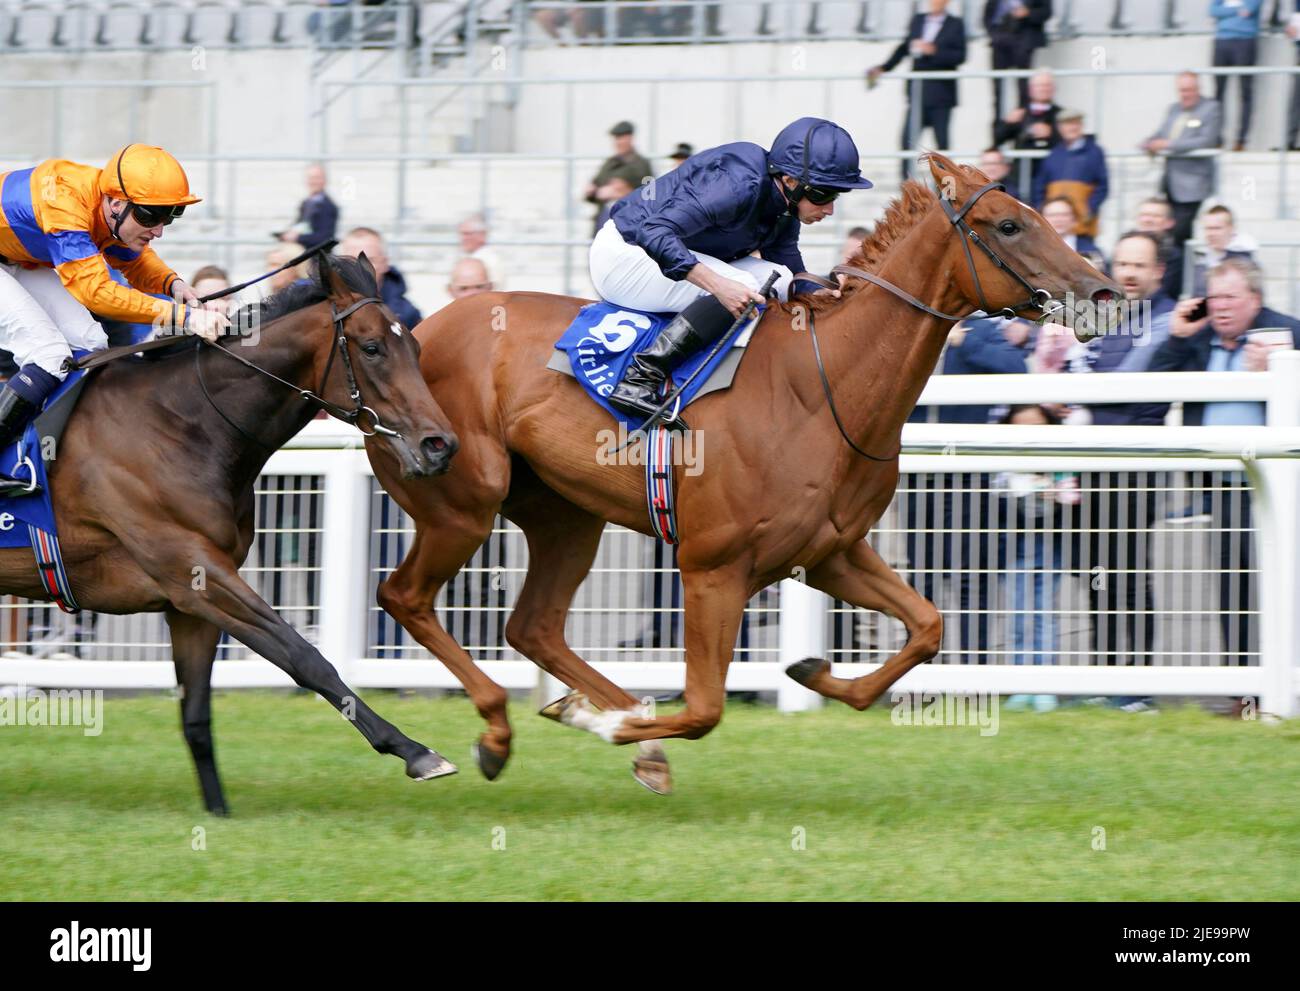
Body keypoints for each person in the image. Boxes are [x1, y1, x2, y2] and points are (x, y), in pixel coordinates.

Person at [590, 117, 871, 425]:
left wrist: (825, 293)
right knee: (742, 283)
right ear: (790, 181)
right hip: (623, 254)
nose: (829, 209)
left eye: (835, 196)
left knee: (780, 279)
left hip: (661, 254)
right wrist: (718, 286)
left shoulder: (785, 206)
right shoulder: (735, 185)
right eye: (823, 194)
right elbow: (653, 232)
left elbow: (790, 268)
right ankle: (639, 379)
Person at [0, 145, 228, 493]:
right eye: (151, 216)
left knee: (91, 344)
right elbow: (95, 293)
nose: (159, 229)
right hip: (12, 260)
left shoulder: (110, 210)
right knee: (47, 353)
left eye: (170, 216)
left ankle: (58, 451)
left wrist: (175, 285)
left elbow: (134, 260)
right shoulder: (66, 204)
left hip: (16, 258)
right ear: (116, 203)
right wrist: (179, 315)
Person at [1150, 259, 1300, 669]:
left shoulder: (1287, 333)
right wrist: (1177, 337)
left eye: (1231, 297)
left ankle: (1286, 671)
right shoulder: (1197, 341)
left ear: (1255, 299)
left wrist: (1275, 379)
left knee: (1285, 574)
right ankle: (1242, 679)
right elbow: (1145, 396)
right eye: (1214, 297)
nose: (1221, 307)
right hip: (1223, 485)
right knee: (1233, 580)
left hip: (1282, 480)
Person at [905, 317, 1031, 665]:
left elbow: (1016, 368)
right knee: (922, 575)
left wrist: (963, 342)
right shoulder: (910, 324)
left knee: (972, 574)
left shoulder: (983, 331)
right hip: (917, 472)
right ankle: (919, 668)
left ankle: (975, 668)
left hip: (969, 473)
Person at [996, 402, 1070, 713]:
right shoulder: (1001, 463)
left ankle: (1043, 684)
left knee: (1043, 614)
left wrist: (1049, 491)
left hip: (1049, 545)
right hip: (1011, 547)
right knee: (1017, 616)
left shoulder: (1059, 460)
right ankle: (1020, 683)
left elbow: (1064, 497)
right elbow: (1000, 493)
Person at [868, 0, 967, 180]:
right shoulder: (918, 20)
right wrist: (883, 68)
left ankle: (948, 190)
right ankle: (907, 188)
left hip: (941, 96)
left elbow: (960, 56)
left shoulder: (955, 24)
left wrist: (934, 50)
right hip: (918, 94)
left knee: (942, 146)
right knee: (906, 142)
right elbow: (904, 48)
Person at [1141, 72, 1223, 248]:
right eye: (1182, 90)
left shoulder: (1211, 108)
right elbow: (1161, 133)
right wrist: (1149, 143)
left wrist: (1168, 144)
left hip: (1193, 184)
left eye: (1189, 90)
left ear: (1198, 89)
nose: (1185, 94)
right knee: (1168, 233)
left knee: (1180, 233)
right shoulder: (1174, 109)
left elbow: (1206, 140)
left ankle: (1183, 272)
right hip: (1170, 183)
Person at [1031, 109, 1107, 240]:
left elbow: (1102, 186)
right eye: (1067, 124)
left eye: (1075, 123)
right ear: (1060, 128)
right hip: (1054, 224)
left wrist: (1090, 209)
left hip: (1083, 225)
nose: (1072, 127)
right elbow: (1039, 186)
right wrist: (1041, 209)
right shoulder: (1054, 154)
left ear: (1081, 126)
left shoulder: (1095, 152)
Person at [982, 0, 1052, 127]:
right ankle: (998, 128)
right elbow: (988, 14)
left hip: (1024, 40)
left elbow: (1046, 12)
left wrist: (1027, 13)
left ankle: (1023, 126)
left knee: (1024, 88)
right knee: (997, 89)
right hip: (1000, 39)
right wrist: (993, 34)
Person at [337, 226, 422, 330]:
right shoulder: (318, 305)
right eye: (351, 260)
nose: (359, 268)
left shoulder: (407, 315)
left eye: (369, 260)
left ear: (384, 263)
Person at [992, 69, 1061, 187]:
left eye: (1047, 85)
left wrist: (1052, 133)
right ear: (1031, 89)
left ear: (1053, 89)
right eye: (1040, 86)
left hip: (1051, 175)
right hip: (1020, 176)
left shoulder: (1061, 115)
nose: (1043, 89)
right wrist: (1007, 123)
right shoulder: (1020, 113)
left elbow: (1069, 144)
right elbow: (997, 139)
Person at [1210, 0, 1263, 150]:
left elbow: (1249, 9)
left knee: (1245, 92)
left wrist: (1226, 12)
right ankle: (1216, 138)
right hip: (1222, 41)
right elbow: (1213, 10)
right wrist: (1237, 11)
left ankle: (1241, 140)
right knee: (1218, 93)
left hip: (1245, 41)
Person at [585, 121, 653, 237]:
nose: (618, 142)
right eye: (616, 138)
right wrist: (593, 191)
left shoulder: (642, 164)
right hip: (605, 219)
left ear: (630, 138)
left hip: (628, 223)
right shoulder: (609, 163)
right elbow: (594, 189)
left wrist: (625, 192)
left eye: (621, 138)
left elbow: (651, 195)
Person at [1189, 205, 1256, 298]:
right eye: (1207, 228)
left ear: (1232, 229)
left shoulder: (1244, 262)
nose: (1211, 234)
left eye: (1217, 228)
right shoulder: (1200, 257)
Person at [278, 162, 338, 249]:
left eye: (317, 178)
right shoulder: (306, 203)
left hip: (316, 257)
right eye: (310, 178)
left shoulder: (327, 206)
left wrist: (297, 237)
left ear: (324, 180)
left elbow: (325, 238)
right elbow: (301, 225)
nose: (313, 181)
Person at [1134, 196, 1184, 299]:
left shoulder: (1174, 256)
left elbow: (1162, 292)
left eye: (1156, 216)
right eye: (1144, 215)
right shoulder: (1125, 249)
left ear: (1169, 223)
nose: (1148, 220)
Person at [1041, 196, 1105, 270]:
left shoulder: (1092, 252)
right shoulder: (1032, 249)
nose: (1058, 219)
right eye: (1052, 215)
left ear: (1075, 220)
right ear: (1041, 219)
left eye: (1064, 214)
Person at [457, 213, 504, 289]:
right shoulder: (477, 258)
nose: (463, 238)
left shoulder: (486, 261)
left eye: (467, 234)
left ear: (482, 235)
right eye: (461, 234)